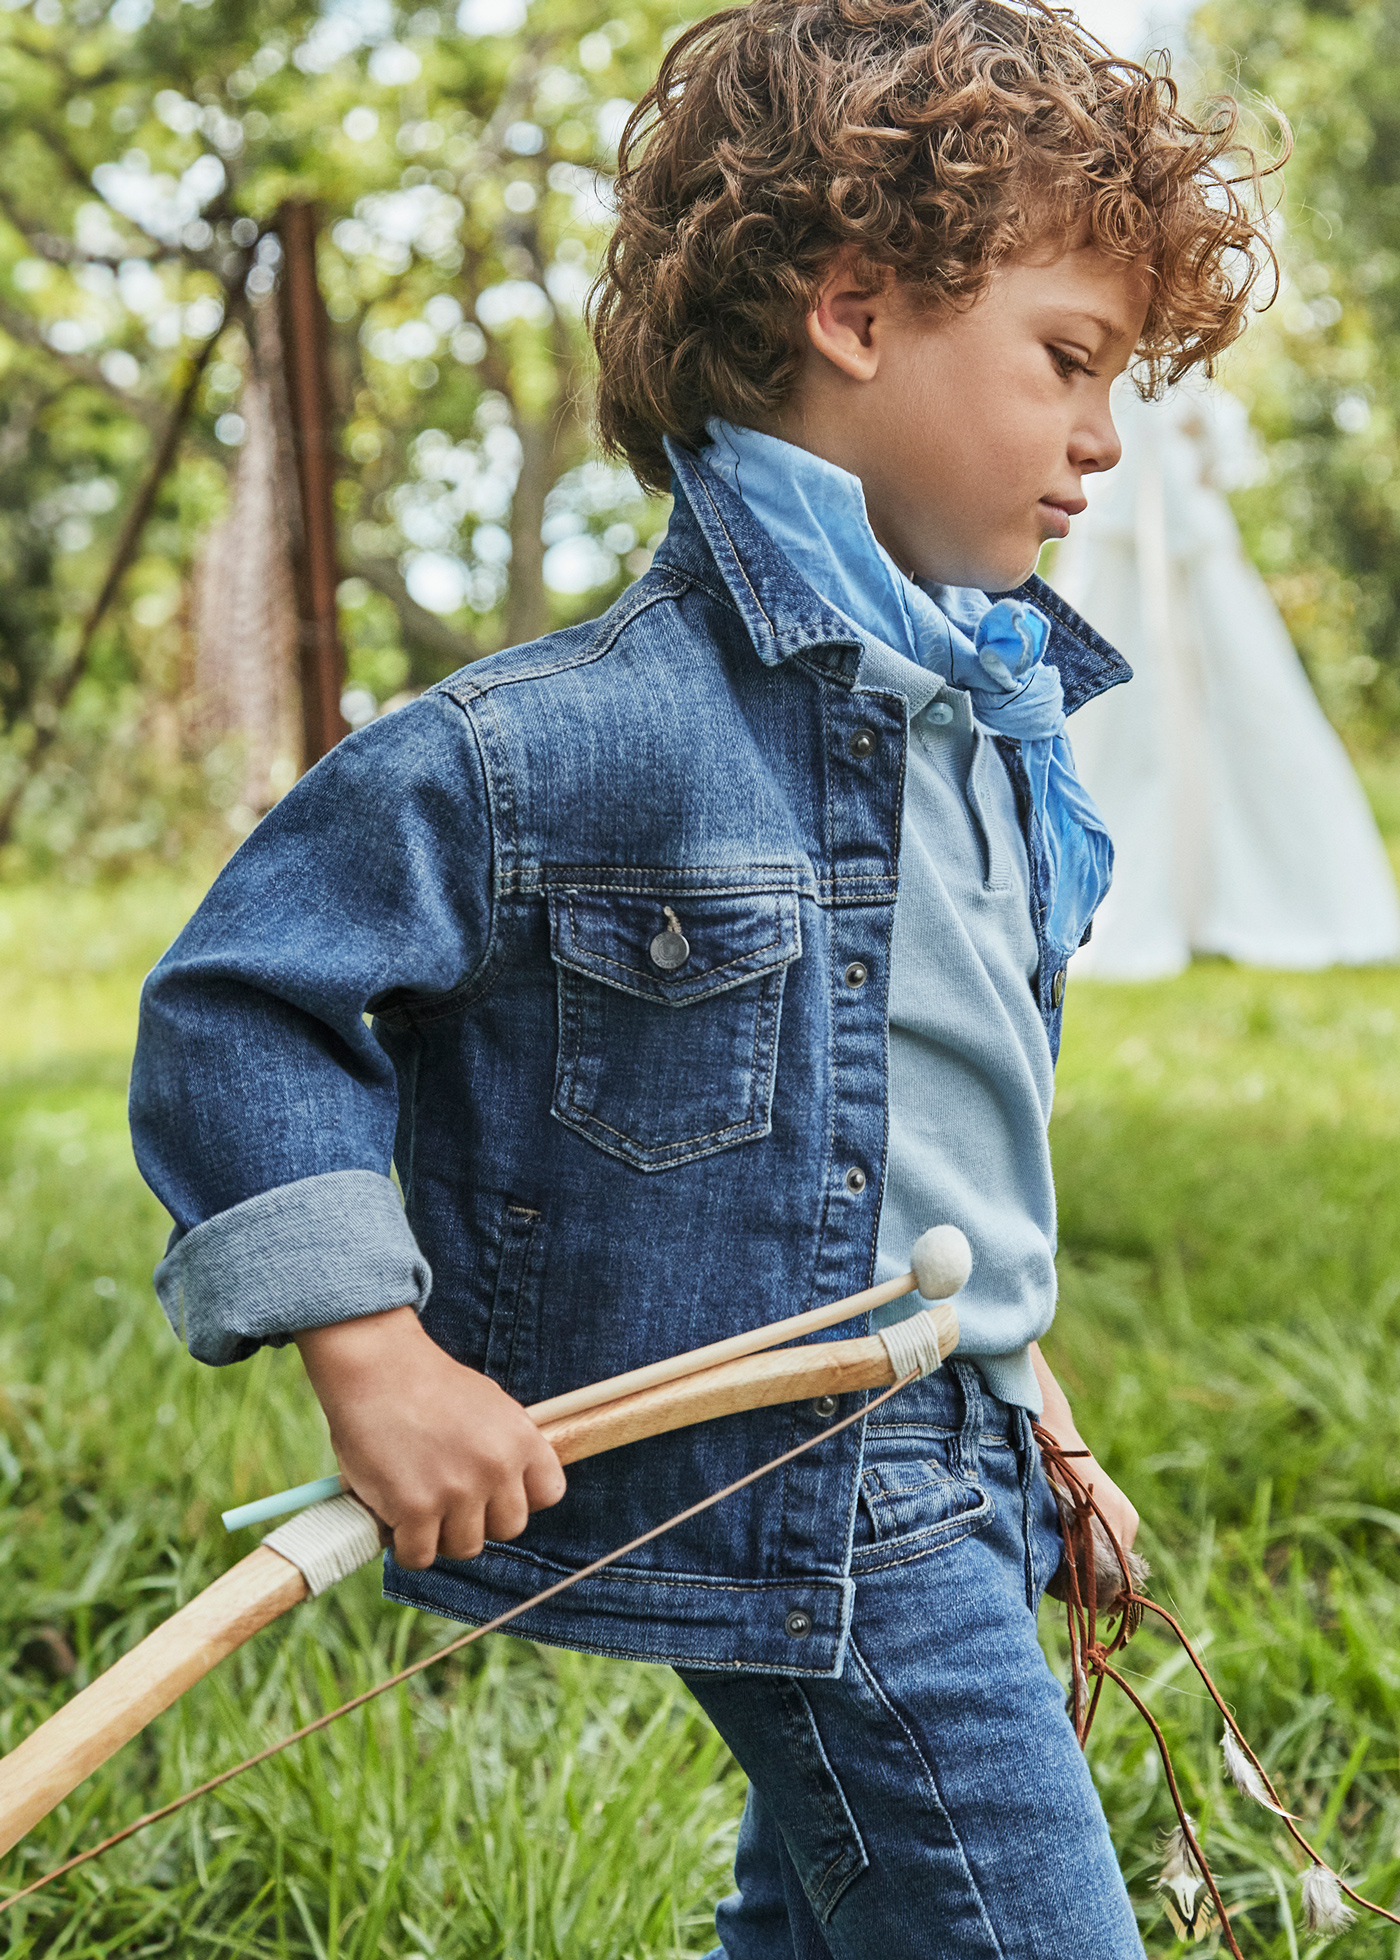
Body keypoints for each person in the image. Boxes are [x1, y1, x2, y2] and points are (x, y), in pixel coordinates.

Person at [129, 2, 1279, 1951]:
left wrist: (1037, 1415)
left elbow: (923, 1150)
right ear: (850, 308)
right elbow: (244, 999)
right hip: (796, 1474)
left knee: (837, 1912)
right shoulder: (564, 740)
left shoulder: (990, 726)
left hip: (937, 1430)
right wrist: (376, 1351)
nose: (1100, 440)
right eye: (1067, 361)